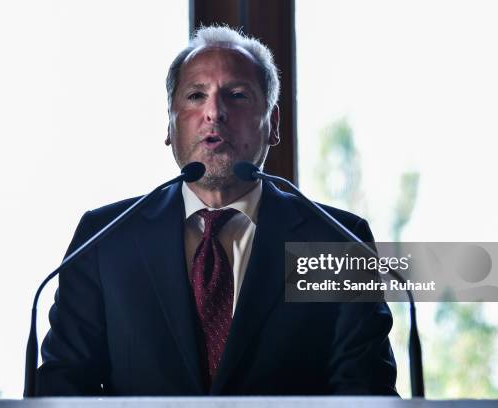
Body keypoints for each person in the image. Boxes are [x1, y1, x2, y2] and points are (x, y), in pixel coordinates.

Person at [36, 26, 398, 396]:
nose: (214, 112)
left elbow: (365, 389)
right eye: (196, 96)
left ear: (273, 124)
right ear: (169, 126)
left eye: (237, 95)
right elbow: (62, 386)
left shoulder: (337, 240)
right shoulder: (105, 239)